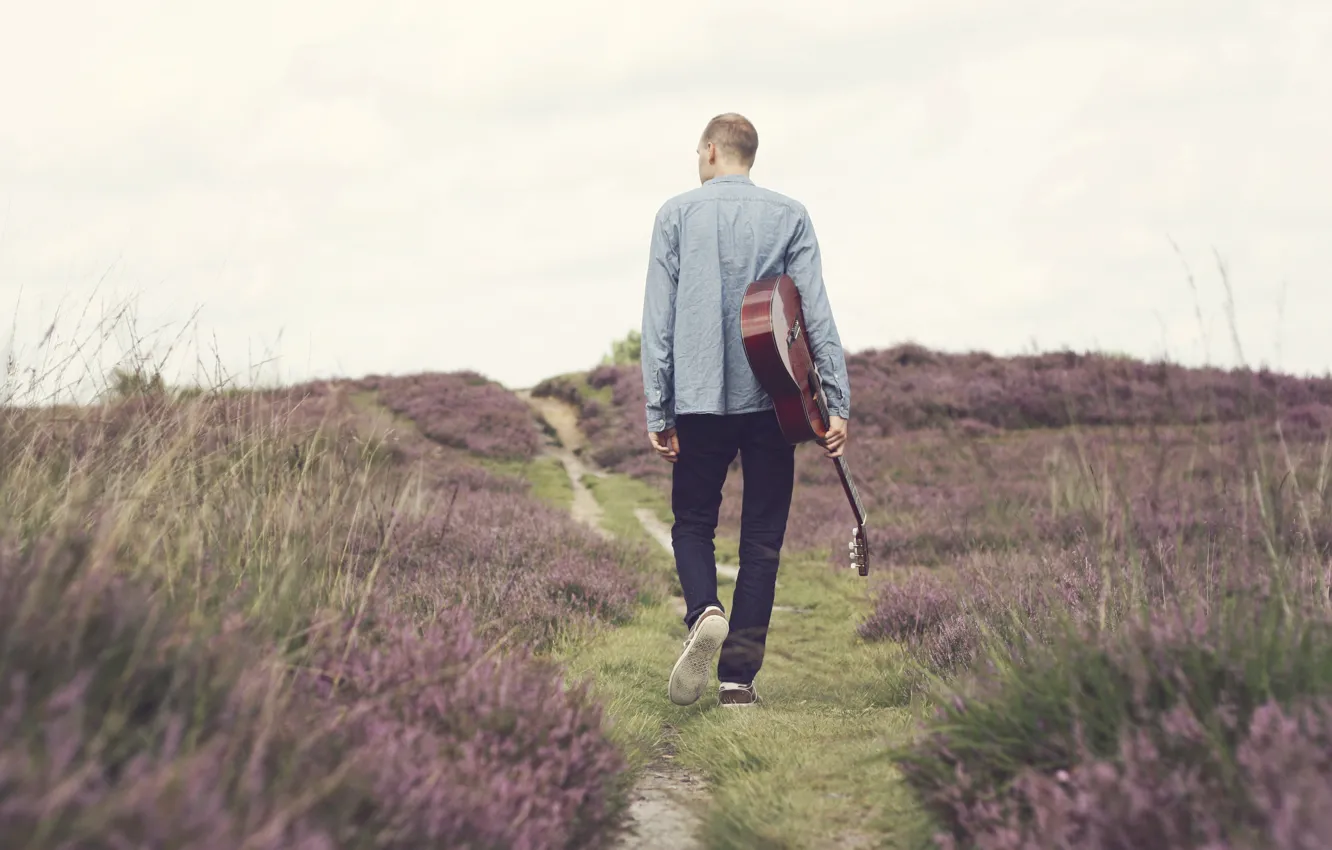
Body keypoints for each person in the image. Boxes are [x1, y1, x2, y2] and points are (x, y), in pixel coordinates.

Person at [639, 112, 851, 708]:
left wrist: (660, 407)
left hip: (699, 398)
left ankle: (705, 609)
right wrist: (835, 399)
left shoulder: (675, 214)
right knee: (761, 538)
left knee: (692, 523)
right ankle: (737, 682)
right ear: (748, 155)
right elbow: (814, 311)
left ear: (710, 151)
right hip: (774, 399)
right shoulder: (790, 215)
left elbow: (660, 319)